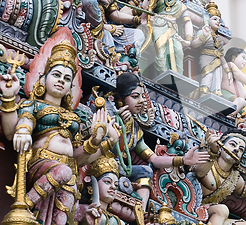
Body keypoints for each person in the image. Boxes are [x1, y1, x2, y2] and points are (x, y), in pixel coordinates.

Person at [0, 37, 117, 225]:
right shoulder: (33, 105)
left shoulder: (75, 119)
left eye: (67, 78)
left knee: (60, 219)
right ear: (44, 78)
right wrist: (10, 101)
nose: (61, 81)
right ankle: (23, 206)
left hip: (69, 173)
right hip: (42, 164)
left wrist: (98, 141)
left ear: (71, 87)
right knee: (62, 172)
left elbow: (78, 158)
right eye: (56, 75)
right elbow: (18, 128)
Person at [112, 72, 210, 210]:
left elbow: (153, 159)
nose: (141, 101)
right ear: (120, 99)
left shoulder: (134, 128)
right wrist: (116, 126)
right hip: (105, 165)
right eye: (135, 96)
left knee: (145, 171)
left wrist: (183, 160)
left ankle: (139, 213)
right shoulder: (108, 115)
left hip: (122, 169)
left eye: (141, 96)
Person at [194, 129, 246, 225]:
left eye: (241, 149)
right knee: (222, 209)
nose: (237, 149)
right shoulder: (208, 157)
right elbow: (199, 173)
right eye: (232, 145)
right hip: (188, 204)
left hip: (209, 212)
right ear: (221, 146)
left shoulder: (234, 178)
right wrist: (213, 151)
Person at [151, 0, 193, 74]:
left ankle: (177, 77)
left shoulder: (180, 5)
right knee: (161, 54)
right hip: (158, 28)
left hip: (174, 32)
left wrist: (188, 40)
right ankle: (162, 77)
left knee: (178, 51)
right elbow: (147, 8)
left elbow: (187, 21)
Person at [191, 2, 232, 97]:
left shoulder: (219, 39)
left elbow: (221, 55)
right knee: (208, 76)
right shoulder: (203, 32)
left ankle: (216, 94)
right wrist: (203, 36)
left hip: (217, 60)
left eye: (219, 20)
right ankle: (203, 93)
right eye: (214, 19)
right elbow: (194, 44)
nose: (218, 21)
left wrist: (228, 70)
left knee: (217, 78)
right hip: (206, 58)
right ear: (207, 20)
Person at [81, 156, 124, 225]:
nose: (113, 187)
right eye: (107, 182)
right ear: (91, 187)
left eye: (116, 185)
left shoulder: (118, 221)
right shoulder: (82, 210)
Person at [221, 47, 246, 117]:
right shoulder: (229, 65)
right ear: (233, 57)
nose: (245, 61)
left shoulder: (238, 81)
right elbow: (239, 75)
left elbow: (244, 93)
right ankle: (229, 115)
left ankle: (233, 115)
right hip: (225, 95)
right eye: (243, 57)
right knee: (241, 102)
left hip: (235, 100)